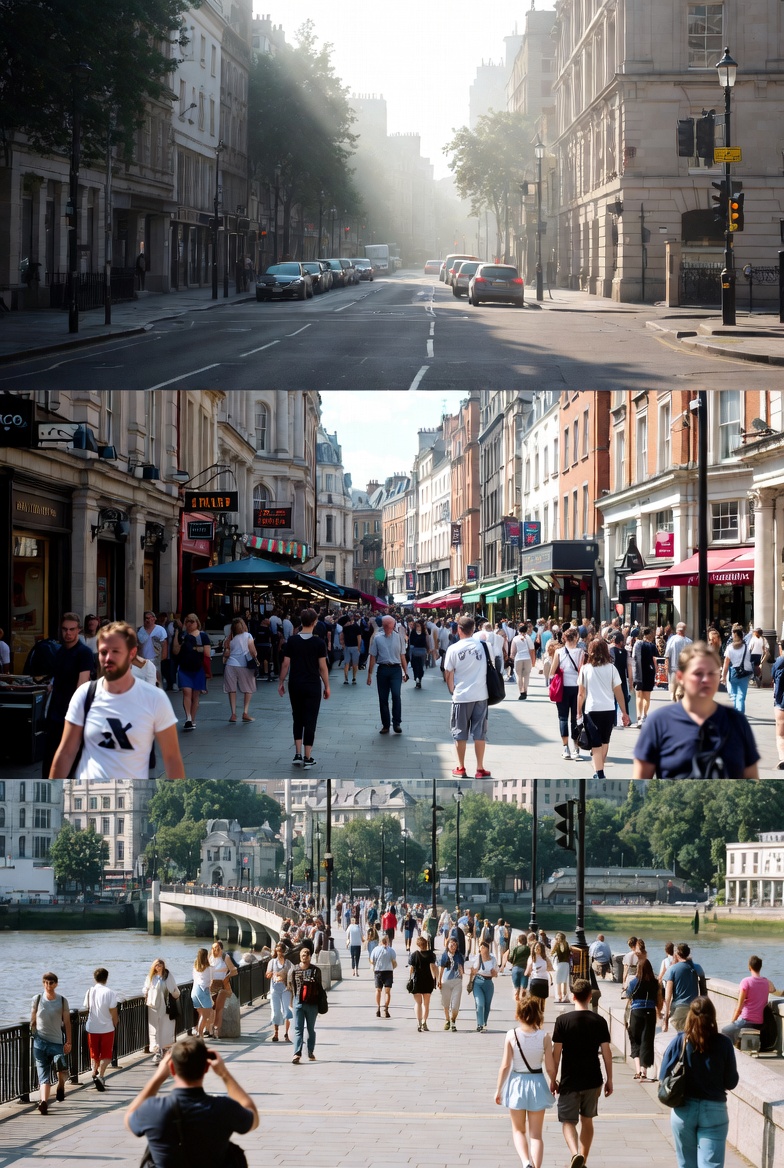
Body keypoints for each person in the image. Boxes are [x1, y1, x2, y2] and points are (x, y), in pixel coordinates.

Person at [49, 622, 184, 780]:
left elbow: (172, 758)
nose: (108, 658)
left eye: (116, 651)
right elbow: (66, 752)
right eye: (103, 651)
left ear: (131, 653)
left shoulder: (156, 699)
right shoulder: (85, 694)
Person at [633, 641, 760, 779]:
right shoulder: (658, 723)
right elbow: (641, 783)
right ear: (681, 677)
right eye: (698, 673)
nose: (706, 679)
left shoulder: (737, 722)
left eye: (712, 673)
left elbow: (752, 781)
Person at [125, 1036, 258, 1161]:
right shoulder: (224, 1108)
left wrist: (159, 1076)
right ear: (206, 1068)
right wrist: (224, 1074)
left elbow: (129, 1118)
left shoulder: (154, 1109)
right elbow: (253, 1117)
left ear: (171, 1068)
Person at [659, 997, 738, 1168]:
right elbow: (731, 1082)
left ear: (689, 1016)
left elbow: (663, 1076)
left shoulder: (680, 1041)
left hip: (683, 1110)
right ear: (713, 1016)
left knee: (686, 1164)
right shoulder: (724, 1043)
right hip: (714, 1110)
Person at [550, 978, 613, 1168]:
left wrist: (553, 1079)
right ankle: (583, 1160)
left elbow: (556, 1053)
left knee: (568, 1121)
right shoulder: (599, 1021)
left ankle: (575, 1153)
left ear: (573, 996)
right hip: (593, 1079)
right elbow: (607, 1053)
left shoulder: (562, 1021)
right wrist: (610, 1079)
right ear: (589, 996)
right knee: (587, 1120)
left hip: (570, 1080)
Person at [495, 994, 556, 1168]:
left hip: (516, 1083)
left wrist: (498, 1090)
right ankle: (536, 1166)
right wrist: (553, 1081)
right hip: (537, 1082)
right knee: (536, 1135)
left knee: (518, 1130)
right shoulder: (545, 1036)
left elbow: (505, 1066)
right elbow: (550, 1067)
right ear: (538, 1014)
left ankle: (526, 1162)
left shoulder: (511, 1035)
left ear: (518, 1014)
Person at [41, 612, 95, 779]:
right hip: (55, 713)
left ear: (78, 630)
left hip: (72, 715)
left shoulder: (84, 653)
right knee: (50, 759)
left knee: (71, 764)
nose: (68, 633)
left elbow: (82, 685)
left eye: (72, 629)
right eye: (65, 629)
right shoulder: (59, 651)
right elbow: (57, 678)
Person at [278, 607, 330, 768]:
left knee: (297, 718)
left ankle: (297, 754)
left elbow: (286, 664)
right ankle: (308, 757)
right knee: (310, 720)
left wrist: (281, 682)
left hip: (295, 683)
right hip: (313, 685)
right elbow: (322, 668)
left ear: (301, 622)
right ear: (314, 622)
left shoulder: (292, 641)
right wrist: (327, 686)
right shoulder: (319, 643)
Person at [444, 614, 492, 779]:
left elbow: (448, 672)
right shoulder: (484, 646)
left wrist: (452, 689)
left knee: (459, 732)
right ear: (474, 629)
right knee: (480, 733)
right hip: (481, 695)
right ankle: (480, 768)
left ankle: (461, 767)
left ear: (459, 630)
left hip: (462, 696)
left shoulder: (453, 648)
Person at [576, 636, 630, 778]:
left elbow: (581, 694)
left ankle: (599, 773)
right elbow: (619, 693)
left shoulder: (585, 669)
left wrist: (578, 712)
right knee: (605, 740)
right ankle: (599, 771)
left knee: (595, 743)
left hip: (591, 710)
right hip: (609, 710)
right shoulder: (612, 669)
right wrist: (624, 712)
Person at [31, 972, 72, 1114]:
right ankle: (43, 1102)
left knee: (61, 1066)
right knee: (43, 1075)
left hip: (56, 1043)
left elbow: (67, 1022)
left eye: (51, 983)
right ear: (43, 983)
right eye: (46, 983)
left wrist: (69, 1041)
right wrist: (32, 1031)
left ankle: (61, 1085)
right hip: (40, 1043)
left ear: (56, 984)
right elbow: (33, 1020)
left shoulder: (62, 1001)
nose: (49, 985)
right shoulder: (36, 999)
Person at [721, 955, 777, 1045]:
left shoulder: (745, 982)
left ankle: (730, 1053)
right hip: (760, 1022)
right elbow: (773, 989)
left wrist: (733, 1022)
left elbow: (739, 1007)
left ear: (749, 967)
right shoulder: (766, 982)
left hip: (746, 1020)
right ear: (760, 967)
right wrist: (765, 980)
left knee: (725, 1031)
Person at [367, 614, 408, 733]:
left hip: (395, 670)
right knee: (383, 698)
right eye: (386, 625)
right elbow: (373, 656)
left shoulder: (399, 637)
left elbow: (402, 655)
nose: (388, 627)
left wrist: (406, 672)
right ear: (383, 626)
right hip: (383, 669)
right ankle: (386, 724)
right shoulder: (378, 638)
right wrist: (369, 674)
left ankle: (397, 723)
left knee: (396, 695)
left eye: (390, 625)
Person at [172, 613, 211, 731]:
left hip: (198, 669)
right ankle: (188, 718)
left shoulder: (203, 636)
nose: (189, 624)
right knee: (186, 692)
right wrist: (178, 633)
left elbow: (207, 654)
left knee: (195, 696)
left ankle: (192, 719)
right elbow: (175, 651)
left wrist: (193, 647)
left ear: (197, 623)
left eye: (192, 622)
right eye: (187, 621)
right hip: (184, 668)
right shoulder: (182, 636)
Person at [625, 957, 662, 1081]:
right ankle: (644, 1071)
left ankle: (638, 1071)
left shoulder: (634, 982)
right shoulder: (655, 983)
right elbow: (659, 1000)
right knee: (647, 1041)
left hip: (636, 1013)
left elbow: (628, 995)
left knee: (635, 1040)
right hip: (650, 1013)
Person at [83, 967, 119, 1091]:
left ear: (95, 978)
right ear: (106, 978)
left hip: (92, 1027)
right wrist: (115, 1022)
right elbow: (113, 1010)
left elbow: (87, 1007)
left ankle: (94, 1072)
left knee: (94, 1053)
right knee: (106, 1055)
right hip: (107, 1028)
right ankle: (101, 1076)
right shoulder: (110, 992)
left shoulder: (90, 991)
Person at [553, 626, 586, 762]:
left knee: (562, 718)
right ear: (576, 638)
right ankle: (576, 748)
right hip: (578, 688)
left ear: (564, 638)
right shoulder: (581, 652)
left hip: (563, 688)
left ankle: (565, 748)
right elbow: (582, 670)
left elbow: (552, 671)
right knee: (576, 718)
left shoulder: (558, 652)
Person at [286, 946, 322, 1063]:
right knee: (298, 1029)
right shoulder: (294, 970)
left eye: (306, 955)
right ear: (300, 956)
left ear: (310, 957)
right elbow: (290, 985)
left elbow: (319, 987)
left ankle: (310, 1050)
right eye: (303, 955)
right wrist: (293, 1000)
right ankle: (297, 1053)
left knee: (311, 1029)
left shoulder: (316, 970)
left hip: (312, 1003)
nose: (304, 957)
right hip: (298, 1002)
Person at [663, 943, 707, 1033]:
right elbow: (703, 991)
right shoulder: (697, 967)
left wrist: (666, 1020)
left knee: (682, 1035)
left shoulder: (672, 970)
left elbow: (667, 997)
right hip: (694, 1007)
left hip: (678, 1009)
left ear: (676, 954)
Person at [143, 958, 180, 1064]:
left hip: (166, 1006)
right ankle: (156, 1051)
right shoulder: (151, 977)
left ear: (163, 966)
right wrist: (146, 995)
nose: (158, 967)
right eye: (156, 965)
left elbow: (174, 989)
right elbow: (146, 988)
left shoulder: (168, 976)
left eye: (160, 965)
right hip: (153, 1006)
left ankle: (165, 1050)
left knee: (166, 1028)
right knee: (154, 1028)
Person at [222, 617, 258, 723]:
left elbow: (226, 654)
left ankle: (233, 714)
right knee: (248, 688)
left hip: (230, 665)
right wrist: (255, 656)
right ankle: (245, 712)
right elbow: (252, 650)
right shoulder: (248, 636)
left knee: (232, 689)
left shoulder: (229, 639)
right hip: (244, 665)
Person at [408, 933, 438, 1032]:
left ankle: (418, 1022)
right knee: (426, 1004)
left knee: (418, 1003)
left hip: (417, 980)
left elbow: (411, 969)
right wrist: (436, 979)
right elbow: (433, 967)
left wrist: (410, 979)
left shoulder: (414, 955)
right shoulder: (431, 955)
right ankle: (424, 1022)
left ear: (418, 945)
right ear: (426, 944)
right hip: (428, 980)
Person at [208, 940, 237, 1039]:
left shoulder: (225, 957)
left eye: (217, 948)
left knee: (220, 1008)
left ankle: (218, 1029)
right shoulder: (210, 957)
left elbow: (234, 971)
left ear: (221, 949)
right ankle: (211, 1029)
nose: (215, 950)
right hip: (211, 985)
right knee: (212, 1007)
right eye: (213, 948)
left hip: (222, 984)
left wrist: (227, 977)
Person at [721, 624, 753, 714]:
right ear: (742, 636)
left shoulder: (730, 648)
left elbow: (726, 663)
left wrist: (723, 676)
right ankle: (740, 717)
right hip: (745, 673)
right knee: (741, 696)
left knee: (733, 696)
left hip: (733, 672)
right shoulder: (747, 647)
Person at [266, 942, 293, 1043]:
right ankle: (276, 1033)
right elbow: (267, 974)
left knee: (287, 1010)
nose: (279, 953)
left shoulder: (288, 963)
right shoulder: (272, 962)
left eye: (280, 951)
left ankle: (287, 1033)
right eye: (277, 951)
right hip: (275, 989)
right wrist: (272, 974)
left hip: (285, 988)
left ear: (284, 952)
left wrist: (286, 976)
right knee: (276, 1011)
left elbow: (293, 972)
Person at [469, 939, 499, 1032]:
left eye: (483, 947)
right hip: (478, 982)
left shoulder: (492, 959)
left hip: (488, 983)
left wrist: (494, 973)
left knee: (487, 1005)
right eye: (480, 947)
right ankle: (480, 1024)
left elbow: (496, 974)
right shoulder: (477, 957)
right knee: (479, 1003)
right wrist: (472, 975)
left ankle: (484, 1022)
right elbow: (472, 970)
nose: (481, 948)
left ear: (487, 949)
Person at [438, 935, 465, 1031]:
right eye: (451, 944)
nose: (453, 946)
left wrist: (462, 972)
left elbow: (462, 968)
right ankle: (447, 1020)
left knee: (455, 1005)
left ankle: (453, 1020)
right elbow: (441, 968)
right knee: (446, 1003)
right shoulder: (444, 955)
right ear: (447, 945)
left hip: (457, 981)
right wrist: (439, 980)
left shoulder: (459, 955)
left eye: (455, 944)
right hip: (446, 981)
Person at [632, 626, 657, 726]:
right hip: (649, 672)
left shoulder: (637, 644)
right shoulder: (652, 646)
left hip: (639, 672)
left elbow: (634, 658)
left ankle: (639, 718)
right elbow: (654, 659)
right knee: (647, 697)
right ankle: (645, 716)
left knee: (639, 696)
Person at [370, 932, 397, 1018]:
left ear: (380, 941)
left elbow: (371, 961)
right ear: (388, 941)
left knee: (378, 990)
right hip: (388, 971)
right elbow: (394, 962)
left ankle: (378, 1008)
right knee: (387, 992)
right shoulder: (391, 950)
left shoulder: (375, 949)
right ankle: (386, 1008)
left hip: (378, 971)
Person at [136, 610, 168, 684]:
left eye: (150, 617)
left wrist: (162, 658)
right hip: (143, 660)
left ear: (154, 619)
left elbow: (164, 644)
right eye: (146, 618)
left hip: (155, 659)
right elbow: (137, 645)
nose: (148, 620)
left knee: (156, 680)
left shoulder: (160, 630)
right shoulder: (140, 630)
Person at [190, 948, 215, 1039]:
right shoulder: (209, 968)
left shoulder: (195, 968)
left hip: (194, 990)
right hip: (203, 990)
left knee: (201, 1013)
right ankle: (200, 1033)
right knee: (206, 1014)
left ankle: (198, 1031)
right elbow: (211, 980)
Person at [665, 623, 693, 695]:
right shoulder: (673, 639)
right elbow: (667, 654)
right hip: (675, 668)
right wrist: (666, 665)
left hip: (682, 668)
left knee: (679, 688)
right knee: (675, 687)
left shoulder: (688, 641)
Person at [510, 623, 536, 699]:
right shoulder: (529, 638)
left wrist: (512, 656)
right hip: (527, 658)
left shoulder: (515, 638)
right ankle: (525, 690)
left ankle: (521, 692)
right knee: (526, 675)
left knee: (519, 675)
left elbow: (513, 651)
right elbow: (532, 650)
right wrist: (533, 661)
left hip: (518, 658)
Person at [341, 613, 363, 685]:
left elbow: (342, 636)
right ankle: (353, 678)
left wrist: (343, 645)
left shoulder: (345, 628)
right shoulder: (357, 627)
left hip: (348, 647)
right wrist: (359, 648)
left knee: (347, 663)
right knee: (354, 664)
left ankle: (346, 679)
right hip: (354, 647)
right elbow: (359, 638)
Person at [508, 934, 532, 1000]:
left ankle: (517, 991)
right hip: (524, 969)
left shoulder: (516, 949)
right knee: (523, 986)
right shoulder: (528, 949)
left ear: (519, 941)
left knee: (516, 987)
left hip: (515, 968)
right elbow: (531, 958)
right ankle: (523, 992)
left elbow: (510, 958)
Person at [551, 932, 572, 1004]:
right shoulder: (566, 944)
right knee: (564, 981)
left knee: (558, 981)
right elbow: (569, 953)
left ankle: (559, 997)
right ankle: (564, 996)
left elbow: (551, 952)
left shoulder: (556, 944)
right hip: (566, 964)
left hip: (559, 964)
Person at [408, 618, 429, 688]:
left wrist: (428, 650)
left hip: (422, 652)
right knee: (415, 666)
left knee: (420, 667)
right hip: (415, 651)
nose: (418, 627)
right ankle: (416, 678)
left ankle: (419, 679)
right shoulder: (413, 632)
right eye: (416, 626)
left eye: (419, 626)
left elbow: (427, 642)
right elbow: (410, 642)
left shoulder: (424, 633)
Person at [773, 639, 784, 770]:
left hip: (781, 701)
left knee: (780, 734)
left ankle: (782, 758)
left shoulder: (779, 662)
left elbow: (774, 678)